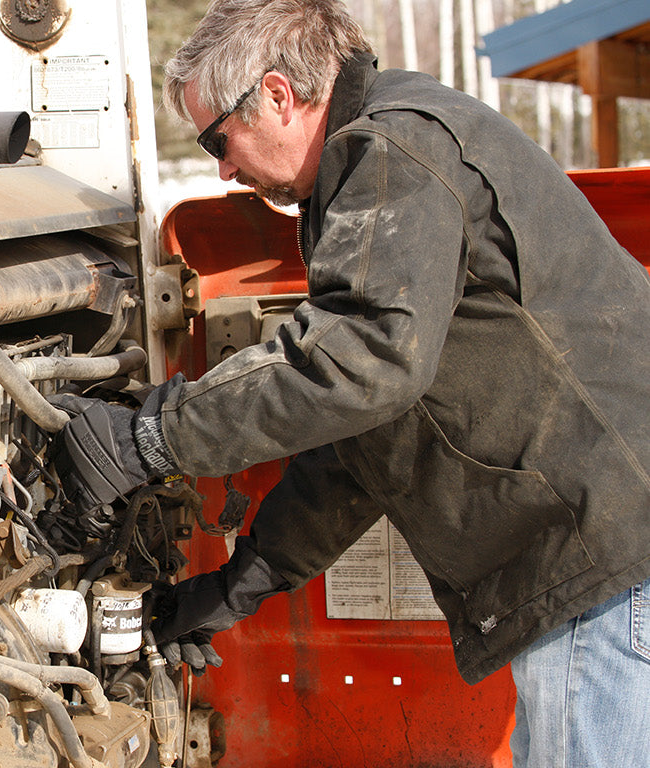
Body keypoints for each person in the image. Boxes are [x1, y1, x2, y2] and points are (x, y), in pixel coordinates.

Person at [47, 0, 650, 765]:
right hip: (605, 559)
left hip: (608, 564)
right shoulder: (385, 148)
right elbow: (369, 437)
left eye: (216, 140)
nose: (223, 169)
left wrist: (147, 438)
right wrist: (239, 586)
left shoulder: (393, 148)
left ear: (275, 94)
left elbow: (359, 364)